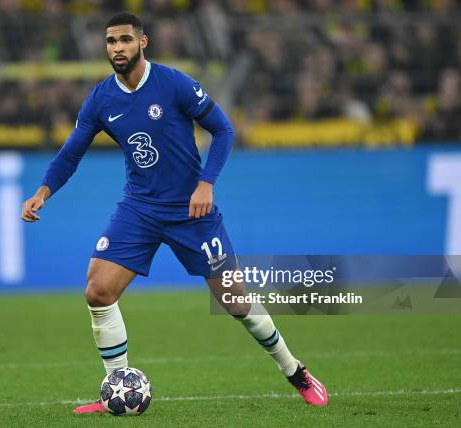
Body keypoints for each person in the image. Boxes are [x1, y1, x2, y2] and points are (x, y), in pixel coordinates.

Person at [21, 12, 328, 413]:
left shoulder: (174, 83)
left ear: (142, 43)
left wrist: (206, 183)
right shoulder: (101, 99)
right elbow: (70, 153)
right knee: (98, 289)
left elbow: (224, 130)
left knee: (235, 302)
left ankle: (295, 371)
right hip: (140, 209)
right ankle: (116, 387)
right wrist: (43, 191)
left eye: (125, 40)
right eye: (111, 42)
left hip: (191, 211)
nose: (117, 48)